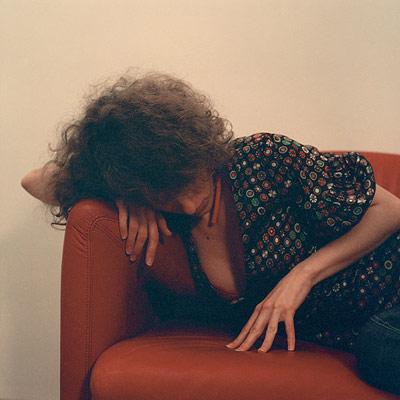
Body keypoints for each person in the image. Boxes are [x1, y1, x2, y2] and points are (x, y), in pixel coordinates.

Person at [21, 71, 400, 394]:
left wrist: (302, 276)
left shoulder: (264, 158)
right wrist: (122, 193)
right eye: (165, 196)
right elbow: (34, 181)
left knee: (380, 344)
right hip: (354, 333)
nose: (186, 205)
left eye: (186, 181)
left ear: (194, 149)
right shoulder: (166, 218)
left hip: (391, 292)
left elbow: (390, 210)